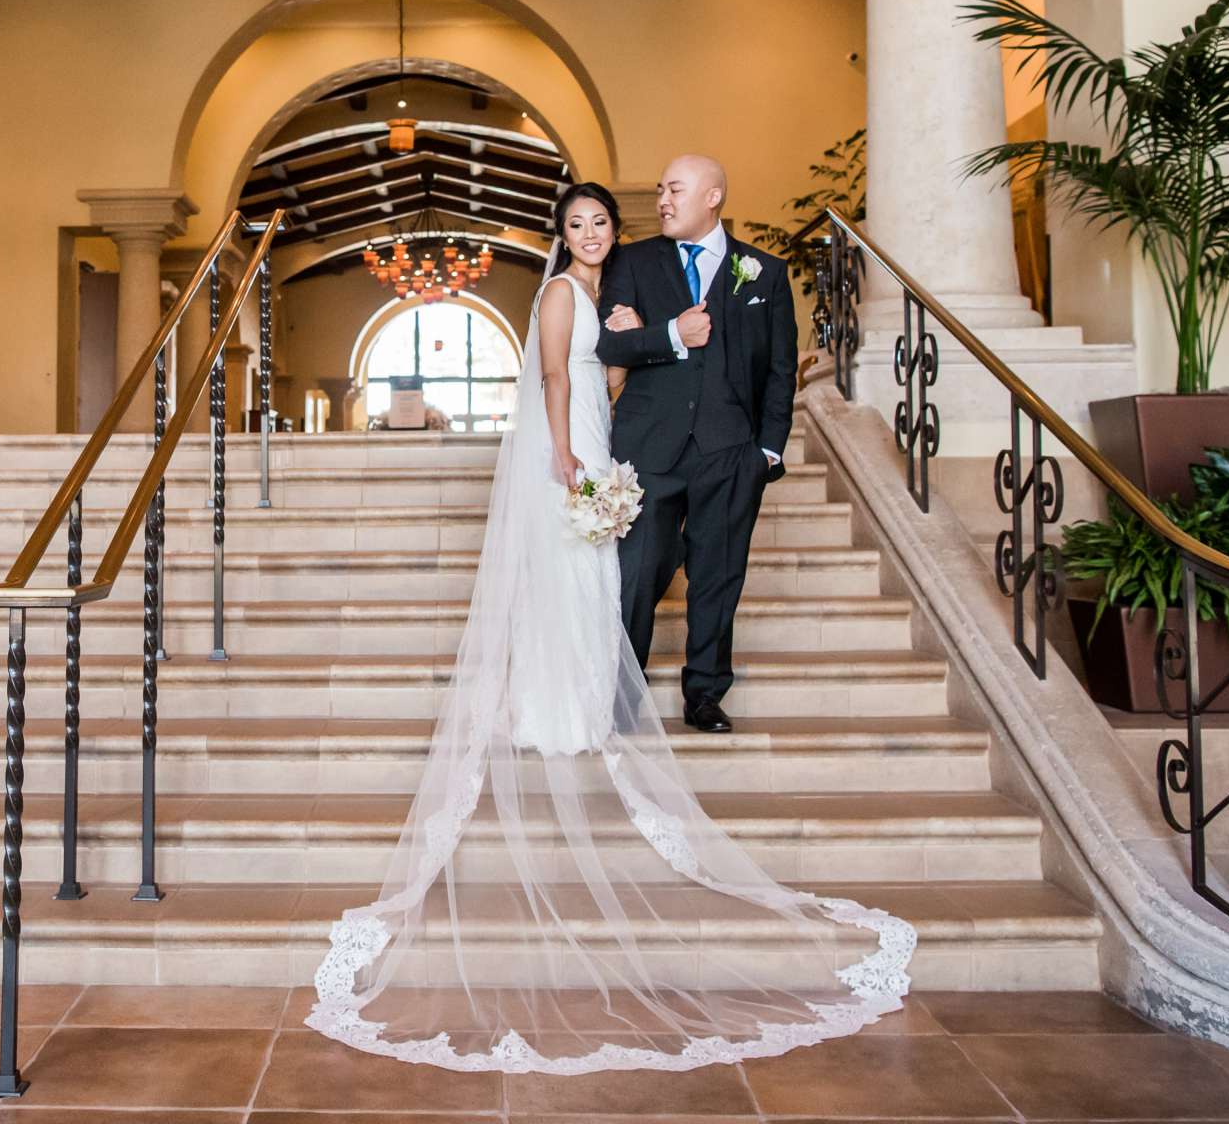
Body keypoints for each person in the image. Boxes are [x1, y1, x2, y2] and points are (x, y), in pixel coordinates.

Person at [308, 182, 911, 1075]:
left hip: (614, 432)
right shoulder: (561, 293)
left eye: (600, 223)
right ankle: (557, 704)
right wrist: (562, 452)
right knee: (578, 570)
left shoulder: (614, 288)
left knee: (597, 577)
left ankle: (591, 697)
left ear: (611, 232)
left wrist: (649, 374)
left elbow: (626, 362)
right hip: (574, 440)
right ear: (560, 236)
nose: (591, 234)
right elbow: (558, 372)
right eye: (577, 225)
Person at [595, 154, 795, 735]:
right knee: (638, 572)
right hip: (649, 446)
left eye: (674, 190)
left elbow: (780, 370)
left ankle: (705, 693)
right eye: (659, 189)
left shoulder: (765, 272)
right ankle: (620, 693)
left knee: (718, 573)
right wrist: (669, 336)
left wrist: (768, 451)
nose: (662, 200)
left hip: (730, 450)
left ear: (713, 197)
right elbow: (612, 346)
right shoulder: (631, 262)